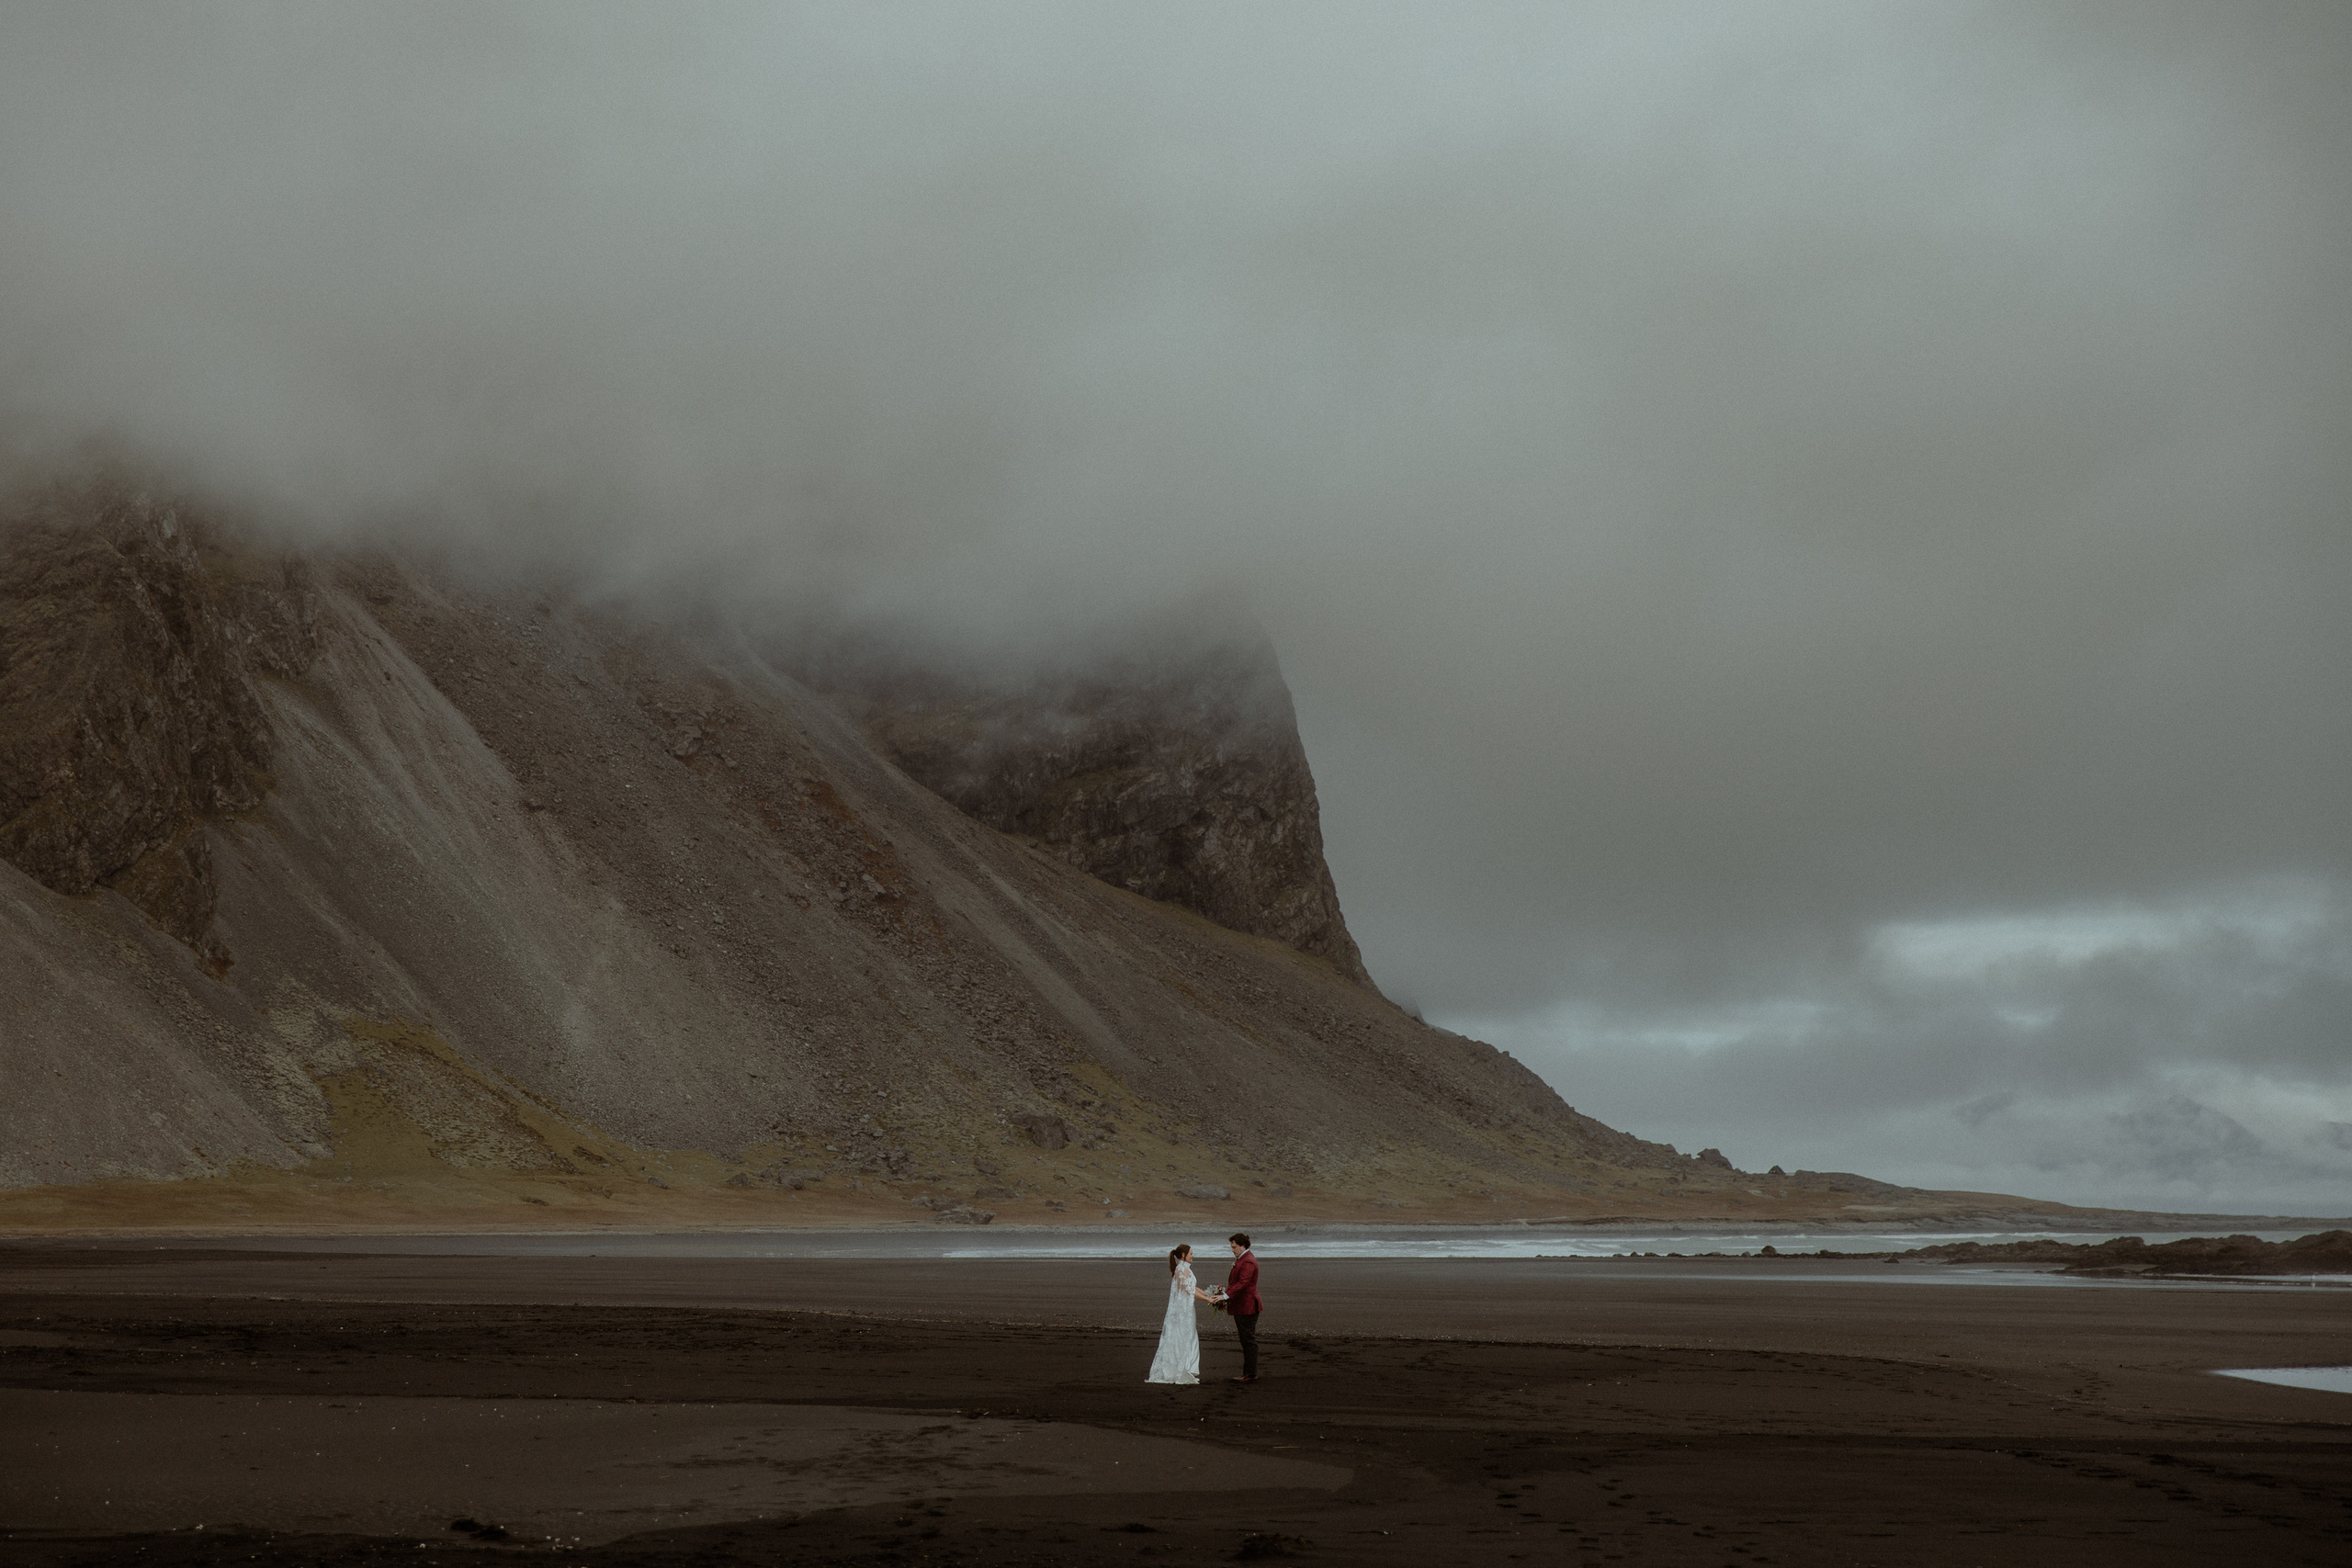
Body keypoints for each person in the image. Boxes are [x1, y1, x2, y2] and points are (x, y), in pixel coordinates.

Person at [1146, 1243, 1219, 1384]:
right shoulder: (1181, 1270)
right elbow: (1189, 1290)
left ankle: (1186, 1368)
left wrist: (1210, 1294)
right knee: (1182, 1336)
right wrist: (1207, 1299)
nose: (1193, 1256)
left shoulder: (1185, 1269)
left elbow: (1194, 1287)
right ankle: (1180, 1369)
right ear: (1184, 1255)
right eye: (1191, 1253)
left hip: (1187, 1309)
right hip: (1182, 1311)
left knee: (1189, 1335)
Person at [1219, 1232, 1262, 1382]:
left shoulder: (1248, 1261)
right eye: (1232, 1247)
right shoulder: (1243, 1259)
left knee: (1248, 1340)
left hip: (1248, 1306)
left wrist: (1225, 1296)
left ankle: (1250, 1374)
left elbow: (1243, 1283)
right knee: (1246, 1340)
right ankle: (1249, 1373)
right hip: (1243, 1305)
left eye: (1234, 1247)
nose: (1232, 1250)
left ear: (1243, 1246)